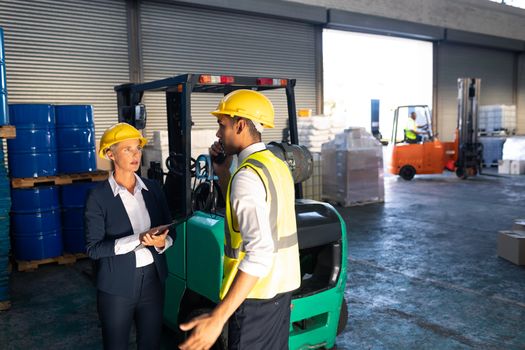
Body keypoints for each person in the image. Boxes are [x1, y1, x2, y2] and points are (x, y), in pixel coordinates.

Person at [179, 90, 301, 350]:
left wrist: (218, 317)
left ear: (241, 124)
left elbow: (259, 253)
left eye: (222, 125)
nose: (218, 134)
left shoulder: (247, 175)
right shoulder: (275, 164)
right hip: (279, 292)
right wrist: (223, 172)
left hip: (255, 298)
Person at [85, 122, 174, 350]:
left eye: (138, 148)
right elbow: (94, 249)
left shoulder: (153, 188)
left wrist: (163, 242)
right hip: (117, 286)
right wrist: (138, 238)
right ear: (110, 154)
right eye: (128, 149)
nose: (136, 154)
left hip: (153, 281)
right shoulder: (98, 197)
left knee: (151, 343)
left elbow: (170, 230)